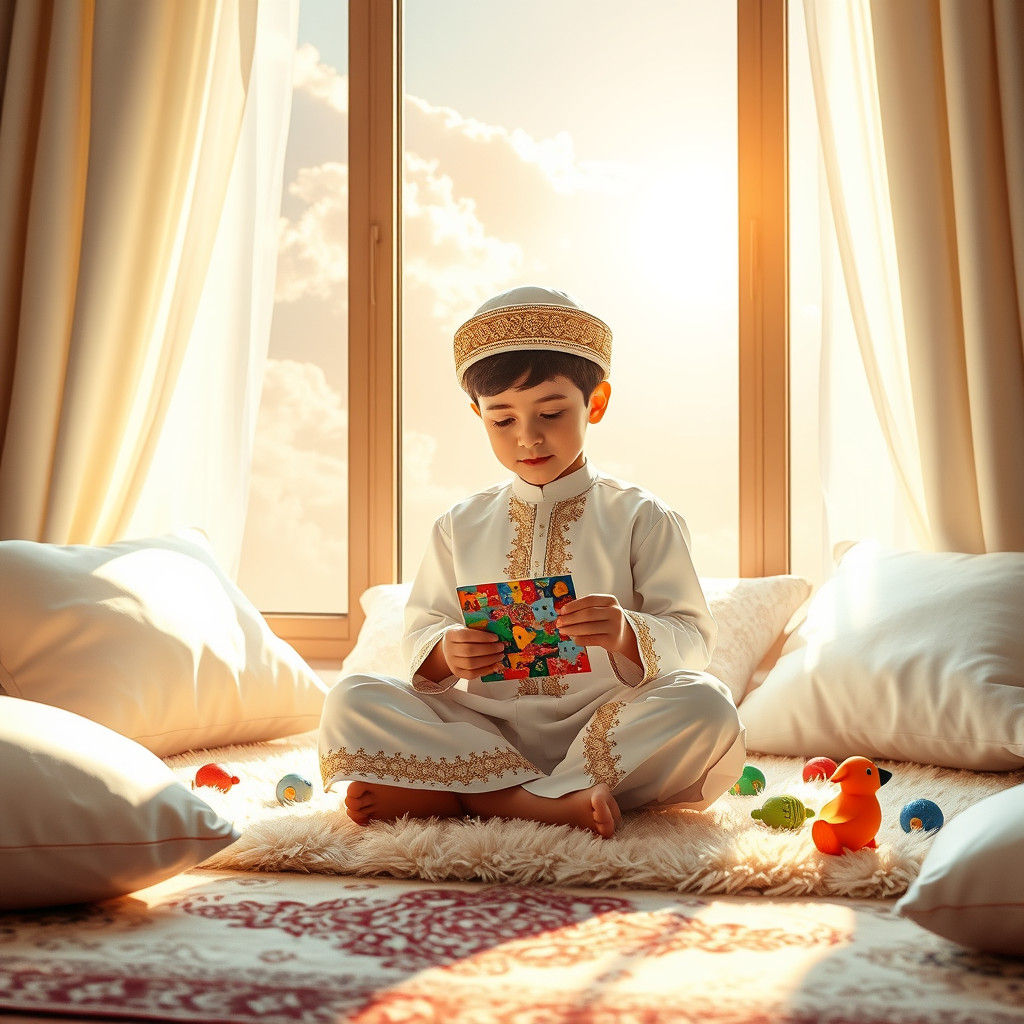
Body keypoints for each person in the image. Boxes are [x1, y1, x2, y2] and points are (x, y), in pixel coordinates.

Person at [318, 284, 745, 838]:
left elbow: (692, 637)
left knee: (706, 705)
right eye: (502, 420)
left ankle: (471, 797)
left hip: (609, 728)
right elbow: (422, 631)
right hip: (484, 728)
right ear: (477, 413)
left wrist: (624, 632)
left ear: (596, 403)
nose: (529, 437)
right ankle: (534, 800)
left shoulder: (642, 517)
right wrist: (445, 654)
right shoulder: (458, 526)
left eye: (550, 411)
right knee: (352, 697)